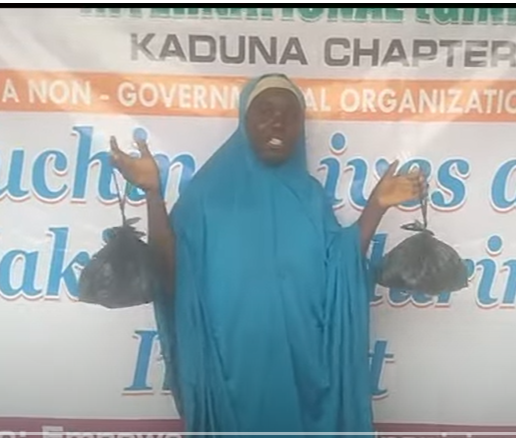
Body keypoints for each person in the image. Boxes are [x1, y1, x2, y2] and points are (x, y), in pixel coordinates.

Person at [110, 74, 424, 434]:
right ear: (244, 122)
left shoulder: (309, 196)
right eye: (265, 112)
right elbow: (172, 276)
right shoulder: (207, 198)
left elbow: (340, 268)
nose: (278, 122)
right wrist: (152, 194)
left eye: (290, 115)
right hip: (230, 372)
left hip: (304, 374)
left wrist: (377, 206)